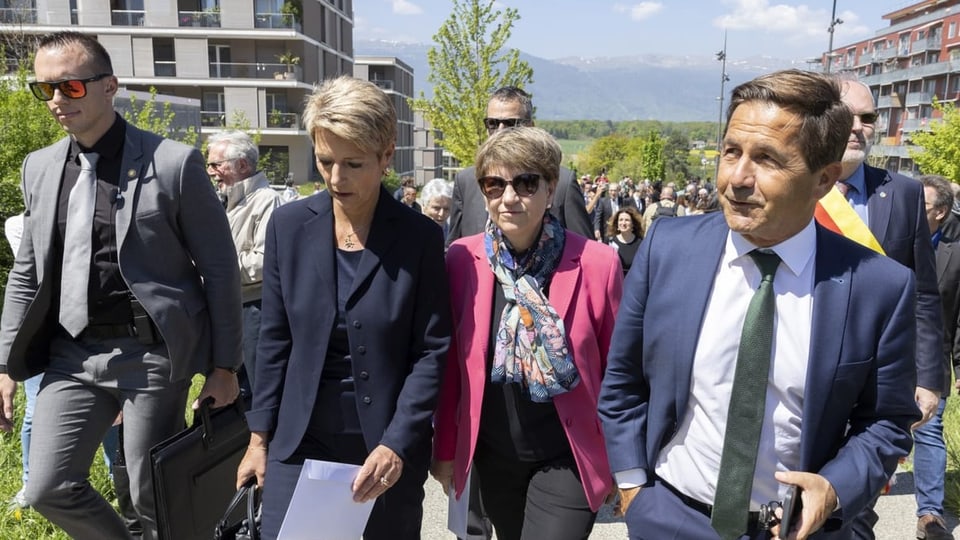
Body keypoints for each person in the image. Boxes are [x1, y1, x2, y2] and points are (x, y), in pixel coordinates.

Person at [599, 69, 919, 540]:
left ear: (824, 180)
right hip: (669, 517)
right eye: (731, 152)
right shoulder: (668, 248)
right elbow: (623, 381)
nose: (736, 179)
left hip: (797, 531)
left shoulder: (878, 286)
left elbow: (887, 421)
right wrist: (633, 489)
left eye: (767, 159)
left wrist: (833, 489)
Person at [0, 31, 242, 540]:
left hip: (150, 356)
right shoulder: (40, 168)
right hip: (70, 354)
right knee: (48, 486)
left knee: (152, 493)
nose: (57, 101)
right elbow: (28, 272)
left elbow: (220, 271)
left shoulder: (173, 164)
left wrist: (224, 368)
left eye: (70, 87)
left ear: (110, 86)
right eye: (44, 90)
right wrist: (4, 365)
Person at [235, 76, 451, 540]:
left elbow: (432, 352)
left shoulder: (420, 239)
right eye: (325, 160)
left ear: (386, 156)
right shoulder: (288, 227)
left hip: (385, 448)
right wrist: (259, 439)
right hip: (299, 441)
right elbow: (274, 339)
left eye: (353, 163)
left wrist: (398, 443)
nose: (336, 178)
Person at [432, 126, 622, 540]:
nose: (509, 197)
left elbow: (617, 371)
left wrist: (623, 461)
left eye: (526, 182)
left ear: (550, 189)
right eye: (495, 184)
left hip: (568, 455)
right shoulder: (462, 260)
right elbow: (450, 370)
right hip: (495, 457)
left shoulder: (596, 264)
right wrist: (445, 450)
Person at [828, 79, 944, 538]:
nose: (858, 128)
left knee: (857, 508)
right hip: (807, 373)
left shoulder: (904, 192)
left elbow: (924, 293)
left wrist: (929, 378)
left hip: (878, 382)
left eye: (868, 118)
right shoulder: (796, 188)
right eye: (847, 116)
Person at [447, 87, 592, 246]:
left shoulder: (562, 182)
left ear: (530, 126)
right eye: (493, 123)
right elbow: (455, 246)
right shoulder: (466, 181)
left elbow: (584, 250)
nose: (500, 131)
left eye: (511, 123)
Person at [206, 130, 281, 397]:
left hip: (254, 309)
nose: (211, 171)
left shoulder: (266, 200)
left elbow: (265, 261)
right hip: (228, 307)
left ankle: (260, 437)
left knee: (255, 386)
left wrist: (214, 270)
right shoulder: (224, 200)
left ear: (243, 165)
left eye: (216, 164)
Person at [912, 174, 959, 540]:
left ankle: (930, 514)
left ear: (940, 212)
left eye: (921, 205)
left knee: (929, 431)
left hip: (932, 357)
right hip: (884, 353)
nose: (911, 211)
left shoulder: (955, 253)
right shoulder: (893, 241)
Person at [607, 206, 643, 276]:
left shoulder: (641, 243)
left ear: (633, 224)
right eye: (620, 220)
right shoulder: (610, 242)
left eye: (627, 220)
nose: (623, 223)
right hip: (615, 282)